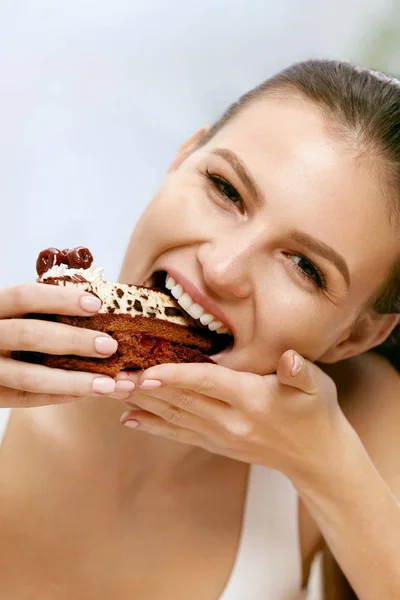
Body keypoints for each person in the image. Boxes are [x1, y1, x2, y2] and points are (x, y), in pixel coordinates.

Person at [1, 59, 400, 600]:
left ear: (353, 337)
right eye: (225, 188)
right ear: (180, 159)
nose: (223, 269)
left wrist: (327, 469)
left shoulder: (364, 423)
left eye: (305, 267)